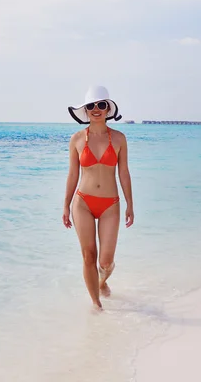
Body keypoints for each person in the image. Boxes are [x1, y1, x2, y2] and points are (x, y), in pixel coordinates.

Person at [62, 85, 134, 311]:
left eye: (101, 105)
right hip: (82, 202)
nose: (96, 109)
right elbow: (73, 174)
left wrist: (130, 204)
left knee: (105, 261)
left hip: (110, 205)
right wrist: (65, 205)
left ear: (107, 108)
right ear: (86, 110)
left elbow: (123, 172)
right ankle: (96, 305)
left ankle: (102, 281)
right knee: (88, 255)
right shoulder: (76, 139)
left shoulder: (120, 138)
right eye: (91, 105)